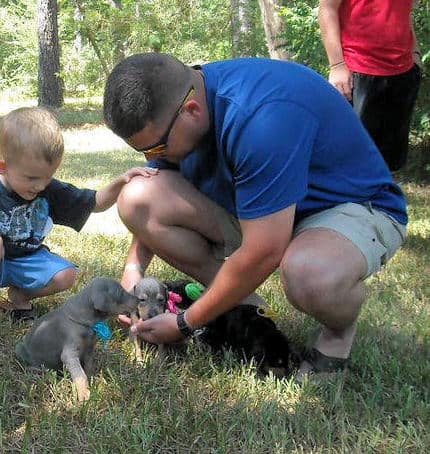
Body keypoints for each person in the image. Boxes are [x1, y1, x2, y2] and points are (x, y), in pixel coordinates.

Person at [102, 53, 407, 379]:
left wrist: (184, 323)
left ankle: (337, 333)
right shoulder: (185, 100)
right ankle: (245, 306)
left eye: (157, 147)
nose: (152, 157)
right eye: (144, 152)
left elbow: (264, 251)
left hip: (345, 208)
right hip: (261, 212)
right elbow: (155, 186)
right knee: (137, 197)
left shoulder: (261, 117)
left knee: (309, 272)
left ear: (192, 111)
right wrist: (133, 269)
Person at [0, 107, 156, 335]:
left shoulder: (46, 187)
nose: (40, 186)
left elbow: (94, 202)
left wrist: (122, 181)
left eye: (47, 177)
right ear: (2, 168)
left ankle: (20, 297)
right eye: (31, 178)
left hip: (27, 258)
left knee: (67, 274)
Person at [319, 0, 422, 171]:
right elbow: (327, 8)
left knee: (389, 161)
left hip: (403, 71)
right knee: (352, 157)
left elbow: (403, 12)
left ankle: (379, 196)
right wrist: (337, 65)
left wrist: (415, 53)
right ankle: (351, 197)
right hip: (359, 70)